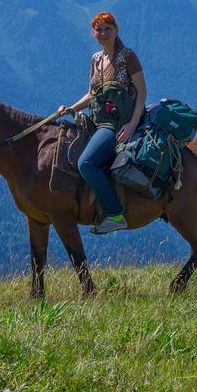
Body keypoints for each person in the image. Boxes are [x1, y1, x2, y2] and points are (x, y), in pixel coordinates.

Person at [57, 12, 147, 235]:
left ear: (116, 30)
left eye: (108, 28)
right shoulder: (96, 59)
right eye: (99, 29)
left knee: (86, 163)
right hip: (96, 121)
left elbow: (142, 92)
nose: (103, 33)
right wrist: (71, 109)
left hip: (115, 125)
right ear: (93, 33)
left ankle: (115, 214)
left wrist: (132, 125)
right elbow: (91, 94)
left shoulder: (128, 57)